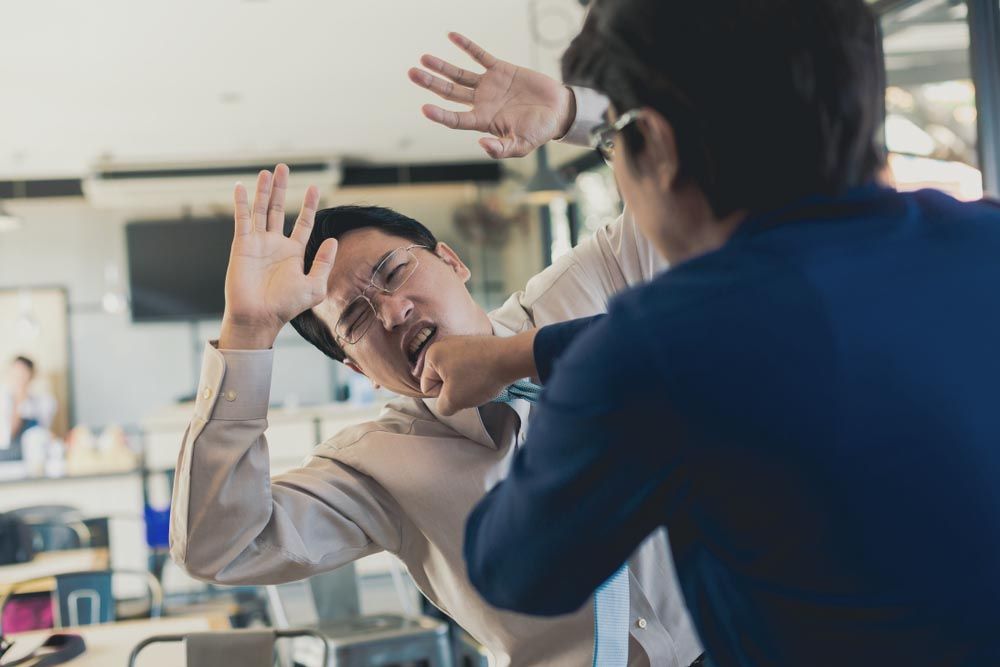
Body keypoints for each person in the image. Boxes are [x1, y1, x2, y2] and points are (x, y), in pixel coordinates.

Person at [416, 1, 1000, 666]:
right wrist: (526, 351)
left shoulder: (659, 350)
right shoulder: (985, 241)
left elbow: (514, 570)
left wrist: (565, 380)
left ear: (657, 149)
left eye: (616, 143)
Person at [169, 163, 704, 664]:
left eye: (395, 271)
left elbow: (706, 188)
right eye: (356, 319)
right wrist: (248, 331)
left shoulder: (585, 287)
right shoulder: (377, 466)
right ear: (362, 373)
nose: (391, 310)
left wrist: (575, 112)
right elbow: (222, 548)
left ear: (453, 261)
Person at [0, 356, 56, 460]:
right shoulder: (3, 400)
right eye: (15, 372)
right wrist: (19, 400)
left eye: (23, 373)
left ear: (31, 375)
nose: (18, 377)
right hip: (6, 457)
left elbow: (43, 432)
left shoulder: (43, 402)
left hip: (33, 457)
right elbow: (9, 433)